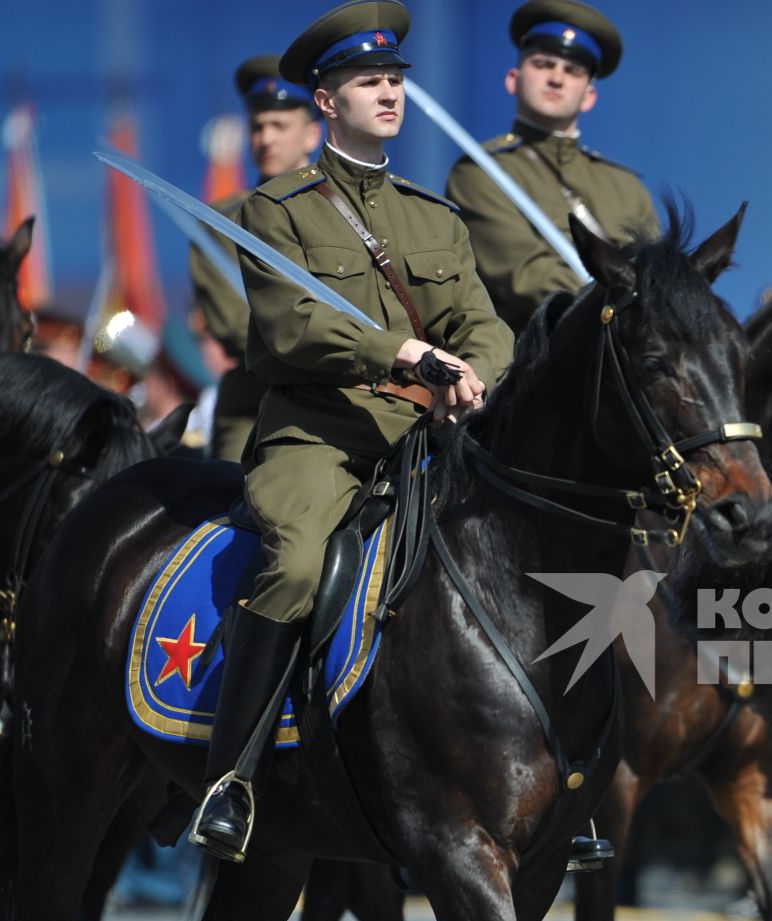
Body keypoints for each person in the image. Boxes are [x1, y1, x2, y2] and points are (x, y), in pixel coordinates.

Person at [190, 0, 514, 861]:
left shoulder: (433, 215)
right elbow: (289, 328)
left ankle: (559, 774)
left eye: (395, 79)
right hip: (320, 435)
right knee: (294, 560)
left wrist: (478, 373)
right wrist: (401, 350)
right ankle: (234, 777)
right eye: (368, 81)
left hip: (426, 441)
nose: (388, 92)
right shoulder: (274, 210)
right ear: (325, 101)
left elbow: (484, 322)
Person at [444, 0, 660, 331]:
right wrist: (626, 300)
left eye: (572, 71)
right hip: (539, 359)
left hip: (626, 358)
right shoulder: (480, 174)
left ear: (589, 96)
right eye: (544, 64)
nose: (557, 78)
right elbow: (525, 278)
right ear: (513, 79)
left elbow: (659, 276)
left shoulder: (628, 188)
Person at [189, 55, 324, 463]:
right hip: (256, 406)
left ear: (312, 135)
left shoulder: (347, 212)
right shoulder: (221, 223)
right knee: (232, 500)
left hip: (345, 403)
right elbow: (234, 325)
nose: (266, 138)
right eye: (257, 126)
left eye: (279, 126)